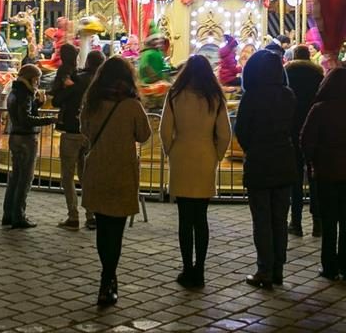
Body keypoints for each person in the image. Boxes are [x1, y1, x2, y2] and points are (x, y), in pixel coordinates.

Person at [80, 56, 151, 306]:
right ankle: (109, 278)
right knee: (116, 230)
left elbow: (85, 130)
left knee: (103, 228)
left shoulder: (93, 102)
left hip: (99, 169)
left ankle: (106, 277)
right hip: (122, 171)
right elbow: (144, 135)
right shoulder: (132, 105)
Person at [159, 54, 231, 288]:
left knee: (184, 218)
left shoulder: (175, 95)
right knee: (201, 218)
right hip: (205, 156)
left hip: (181, 155)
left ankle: (186, 267)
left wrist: (171, 150)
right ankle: (199, 268)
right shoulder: (215, 96)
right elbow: (225, 133)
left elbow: (165, 129)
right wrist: (216, 154)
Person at [235, 50, 297, 288]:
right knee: (279, 219)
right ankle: (278, 268)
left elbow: (242, 130)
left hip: (259, 163)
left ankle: (265, 269)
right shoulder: (288, 95)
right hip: (284, 161)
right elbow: (293, 127)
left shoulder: (251, 97)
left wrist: (252, 147)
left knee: (262, 219)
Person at [51, 44, 105, 231]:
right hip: (91, 133)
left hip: (72, 129)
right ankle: (91, 215)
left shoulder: (78, 79)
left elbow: (57, 100)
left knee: (68, 176)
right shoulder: (102, 84)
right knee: (86, 175)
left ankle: (73, 216)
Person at [301, 69, 346, 280]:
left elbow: (306, 139)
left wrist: (311, 161)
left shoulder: (320, 109)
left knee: (329, 222)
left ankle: (329, 266)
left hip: (326, 172)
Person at [2, 63, 54, 229]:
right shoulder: (25, 94)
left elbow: (22, 113)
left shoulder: (15, 91)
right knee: (25, 178)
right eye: (37, 79)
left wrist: (37, 104)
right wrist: (49, 120)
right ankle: (19, 215)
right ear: (31, 79)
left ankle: (8, 214)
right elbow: (26, 119)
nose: (38, 82)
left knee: (15, 177)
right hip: (26, 138)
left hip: (15, 136)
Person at [285, 45, 323, 237]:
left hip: (293, 130)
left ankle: (296, 221)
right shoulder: (318, 75)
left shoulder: (287, 74)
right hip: (313, 130)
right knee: (314, 176)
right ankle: (318, 222)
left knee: (295, 178)